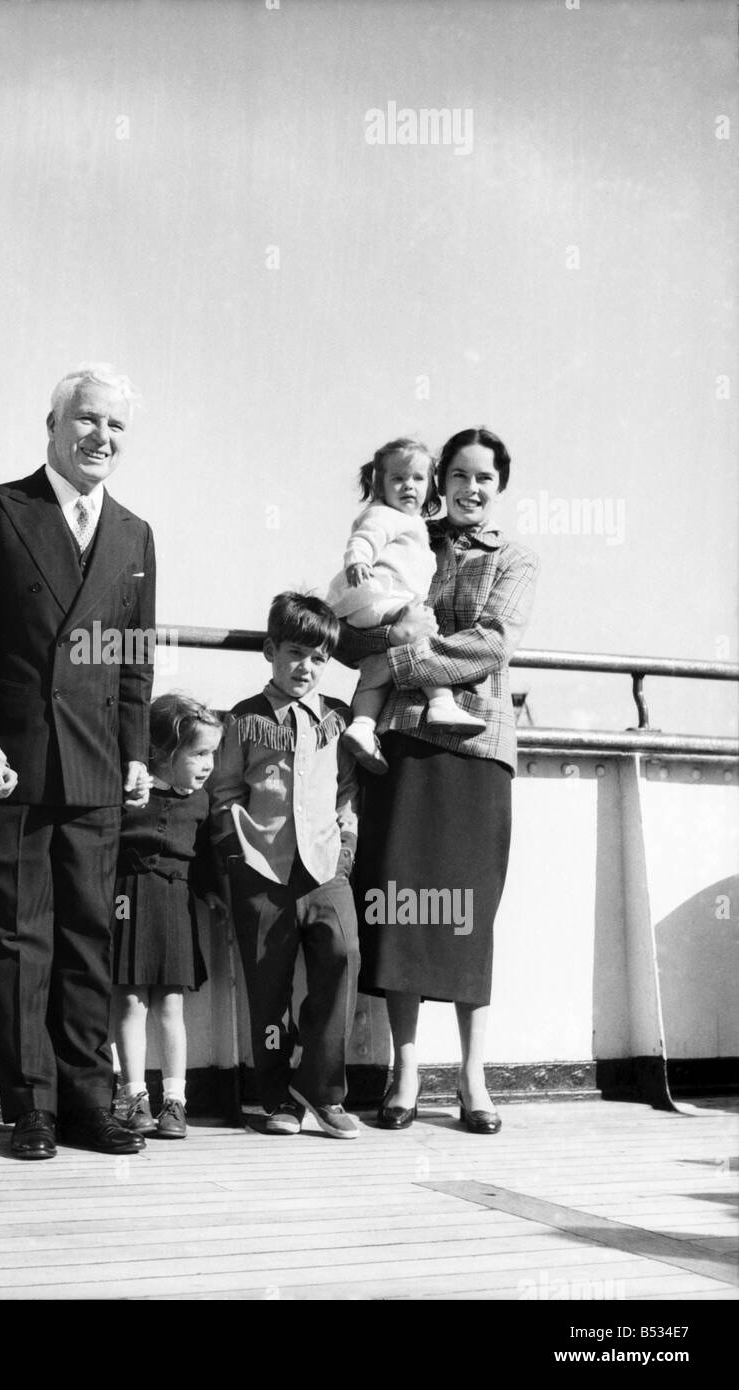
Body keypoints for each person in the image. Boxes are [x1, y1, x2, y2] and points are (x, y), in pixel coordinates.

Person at [0, 364, 156, 1159]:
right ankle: (29, 1104)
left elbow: (133, 660)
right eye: (87, 420)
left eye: (116, 426)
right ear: (54, 425)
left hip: (97, 762)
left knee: (89, 936)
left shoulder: (133, 534)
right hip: (11, 759)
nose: (101, 437)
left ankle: (87, 1101)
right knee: (14, 935)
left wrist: (135, 751)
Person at [343, 427, 539, 1135]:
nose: (469, 488)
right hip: (401, 745)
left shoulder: (515, 559)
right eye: (457, 475)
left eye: (484, 477)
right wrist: (371, 626)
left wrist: (399, 665)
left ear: (499, 486)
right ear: (438, 481)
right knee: (400, 908)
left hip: (477, 747)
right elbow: (350, 630)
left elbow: (491, 644)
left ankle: (473, 1078)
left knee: (466, 917)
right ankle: (404, 1071)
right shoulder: (403, 535)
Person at [209, 592, 362, 1138]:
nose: (307, 667)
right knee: (268, 987)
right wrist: (237, 856)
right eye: (296, 653)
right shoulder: (244, 719)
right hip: (262, 869)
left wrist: (345, 849)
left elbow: (347, 790)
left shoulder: (338, 720)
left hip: (325, 868)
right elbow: (224, 790)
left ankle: (321, 1088)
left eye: (319, 658)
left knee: (342, 957)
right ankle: (276, 1096)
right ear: (271, 650)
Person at [327, 438, 486, 774]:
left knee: (375, 674)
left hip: (373, 610)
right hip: (383, 599)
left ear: (430, 488)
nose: (408, 486)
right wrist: (358, 559)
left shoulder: (413, 524)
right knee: (422, 633)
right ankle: (441, 702)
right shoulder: (385, 514)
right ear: (379, 485)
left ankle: (362, 726)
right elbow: (365, 536)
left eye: (417, 479)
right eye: (397, 479)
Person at [112, 693, 225, 1141]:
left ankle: (175, 1100)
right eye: (198, 754)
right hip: (128, 901)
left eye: (212, 754)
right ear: (163, 752)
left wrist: (212, 892)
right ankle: (134, 1096)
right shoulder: (128, 795)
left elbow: (202, 860)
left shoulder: (200, 803)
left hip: (175, 904)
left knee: (171, 1005)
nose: (208, 764)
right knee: (129, 1002)